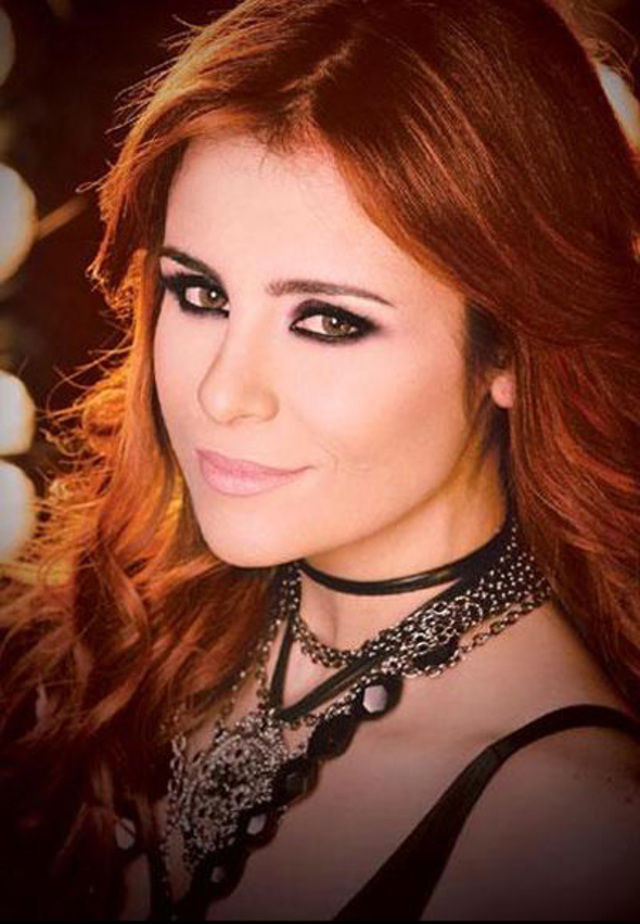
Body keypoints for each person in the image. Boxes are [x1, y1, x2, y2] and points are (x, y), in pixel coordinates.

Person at [2, 0, 640, 919]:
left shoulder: (573, 835)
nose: (224, 393)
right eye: (200, 294)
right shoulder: (116, 644)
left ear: (507, 347)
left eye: (330, 320)